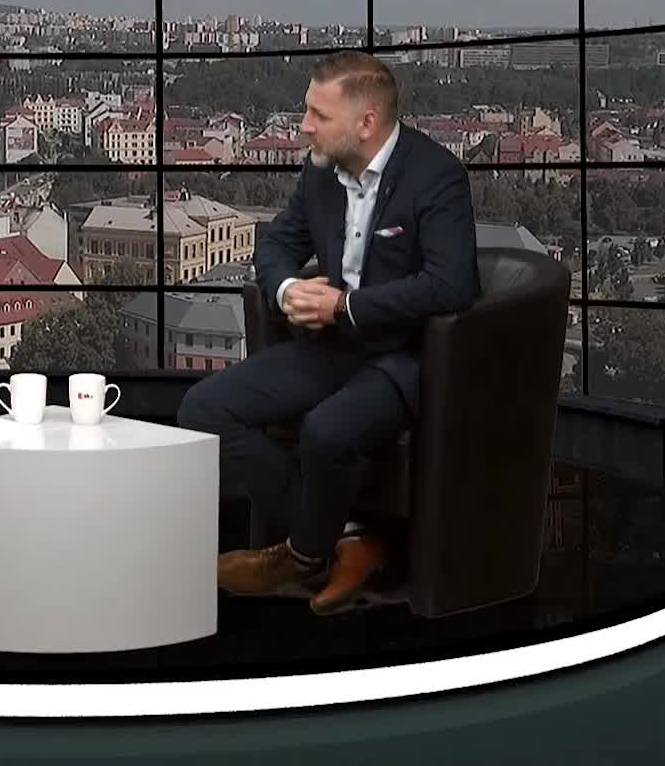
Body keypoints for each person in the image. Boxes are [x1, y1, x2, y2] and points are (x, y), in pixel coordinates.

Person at [178, 51, 479, 616]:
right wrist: (288, 290)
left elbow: (451, 285)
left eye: (318, 114)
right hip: (329, 348)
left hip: (404, 357)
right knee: (203, 410)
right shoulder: (320, 172)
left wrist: (346, 306)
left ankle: (297, 556)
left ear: (366, 122)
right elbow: (276, 243)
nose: (304, 127)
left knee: (325, 432)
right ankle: (341, 541)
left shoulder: (436, 176)